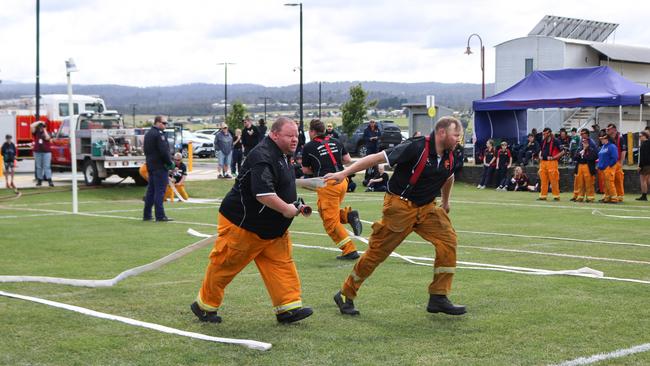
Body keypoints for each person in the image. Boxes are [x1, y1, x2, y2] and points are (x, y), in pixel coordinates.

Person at [324, 116, 466, 317]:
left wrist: (446, 201)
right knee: (377, 253)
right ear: (442, 132)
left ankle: (438, 296)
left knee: (448, 241)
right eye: (456, 135)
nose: (458, 140)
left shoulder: (452, 154)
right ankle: (346, 293)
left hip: (427, 208)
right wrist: (344, 173)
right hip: (400, 206)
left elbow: (448, 175)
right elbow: (376, 158)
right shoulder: (415, 147)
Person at [191, 117, 313, 324]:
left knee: (281, 265)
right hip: (244, 226)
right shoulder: (262, 156)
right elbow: (263, 194)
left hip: (272, 229)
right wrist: (286, 209)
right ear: (274, 134)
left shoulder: (283, 154)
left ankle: (288, 308)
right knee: (225, 266)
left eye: (297, 135)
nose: (295, 140)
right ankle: (204, 305)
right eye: (289, 135)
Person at [301, 119, 363, 260]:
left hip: (327, 184)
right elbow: (347, 160)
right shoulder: (336, 141)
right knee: (325, 212)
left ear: (312, 132)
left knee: (330, 222)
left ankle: (349, 250)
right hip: (342, 180)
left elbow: (305, 169)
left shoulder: (309, 146)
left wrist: (318, 168)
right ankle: (348, 216)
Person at [143, 116, 174, 222]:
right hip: (160, 166)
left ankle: (147, 214)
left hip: (151, 165)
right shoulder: (159, 134)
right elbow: (164, 151)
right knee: (159, 191)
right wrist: (170, 163)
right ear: (157, 122)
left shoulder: (148, 134)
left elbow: (146, 150)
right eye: (164, 123)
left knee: (151, 191)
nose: (165, 125)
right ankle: (160, 215)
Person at [537, 127, 564, 201]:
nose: (544, 135)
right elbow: (541, 150)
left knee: (554, 180)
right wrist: (540, 155)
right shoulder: (543, 141)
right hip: (543, 162)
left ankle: (556, 196)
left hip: (552, 162)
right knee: (543, 180)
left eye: (545, 134)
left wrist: (553, 157)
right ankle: (543, 196)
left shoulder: (556, 141)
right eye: (543, 134)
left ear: (549, 133)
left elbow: (562, 152)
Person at [571, 138, 598, 202]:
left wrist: (586, 152)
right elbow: (575, 158)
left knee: (589, 183)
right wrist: (581, 152)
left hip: (587, 166)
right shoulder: (579, 149)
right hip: (580, 166)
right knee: (580, 182)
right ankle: (580, 196)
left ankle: (590, 197)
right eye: (583, 142)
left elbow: (593, 157)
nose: (584, 143)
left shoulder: (592, 149)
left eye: (586, 142)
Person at [597, 131, 619, 203]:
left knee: (610, 183)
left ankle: (614, 198)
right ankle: (607, 197)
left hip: (608, 168)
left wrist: (609, 166)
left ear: (607, 139)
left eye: (603, 139)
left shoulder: (612, 146)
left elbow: (615, 157)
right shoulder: (603, 147)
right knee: (605, 184)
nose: (601, 140)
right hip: (602, 168)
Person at [606, 124, 626, 201]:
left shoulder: (620, 138)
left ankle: (620, 196)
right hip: (609, 162)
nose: (607, 131)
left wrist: (621, 162)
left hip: (617, 162)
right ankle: (609, 196)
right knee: (608, 179)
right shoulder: (607, 138)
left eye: (609, 129)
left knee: (619, 179)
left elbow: (623, 151)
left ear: (614, 129)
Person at [32, 121, 54, 187]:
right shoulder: (36, 133)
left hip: (47, 152)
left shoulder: (48, 133)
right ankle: (39, 180)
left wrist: (45, 130)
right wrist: (39, 122)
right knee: (39, 167)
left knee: (47, 166)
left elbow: (48, 138)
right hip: (37, 152)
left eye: (43, 126)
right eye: (40, 127)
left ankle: (49, 180)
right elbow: (31, 126)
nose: (41, 128)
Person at [636, 130, 650, 201]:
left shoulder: (644, 145)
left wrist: (640, 166)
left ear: (645, 136)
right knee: (648, 180)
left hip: (645, 165)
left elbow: (643, 157)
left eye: (640, 136)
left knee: (643, 180)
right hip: (648, 164)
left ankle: (644, 196)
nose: (639, 138)